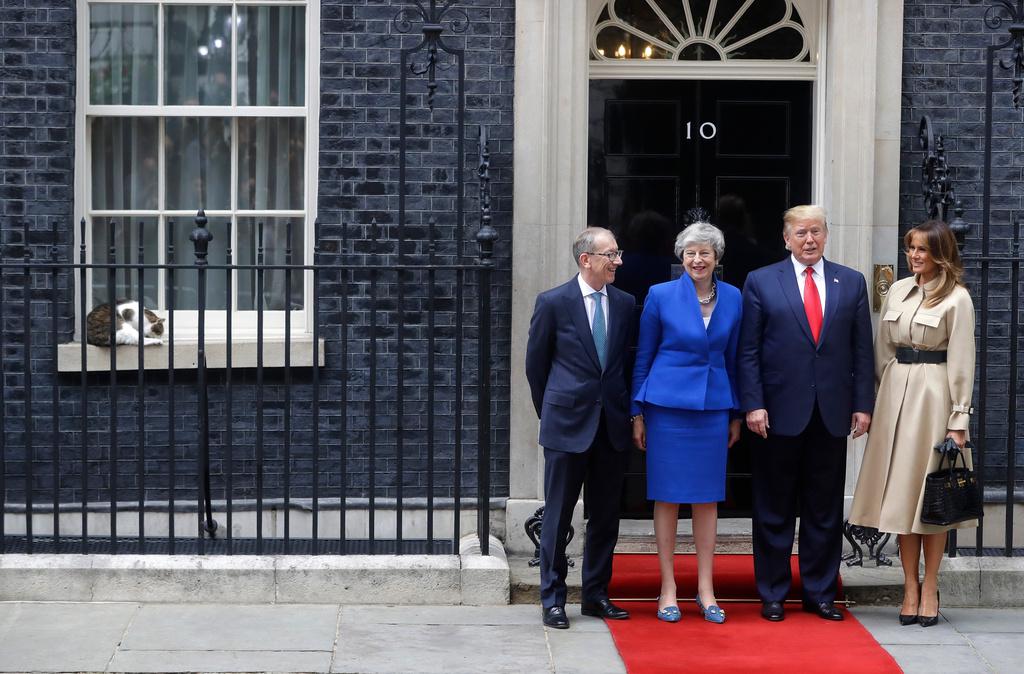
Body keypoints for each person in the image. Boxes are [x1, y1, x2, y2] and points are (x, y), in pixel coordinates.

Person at [737, 205, 874, 622]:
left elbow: (862, 350)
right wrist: (753, 403)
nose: (809, 239)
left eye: (816, 231)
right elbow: (748, 350)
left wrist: (862, 405)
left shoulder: (851, 281)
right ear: (786, 239)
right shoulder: (761, 281)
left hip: (831, 413)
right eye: (800, 233)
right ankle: (773, 593)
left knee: (824, 509)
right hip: (776, 413)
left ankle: (820, 593)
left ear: (826, 235)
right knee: (773, 508)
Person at [849, 220, 976, 628]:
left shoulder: (957, 298)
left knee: (931, 499)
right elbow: (882, 349)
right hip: (895, 396)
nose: (914, 255)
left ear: (940, 252)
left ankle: (931, 586)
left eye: (922, 249)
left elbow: (962, 361)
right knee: (903, 496)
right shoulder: (898, 290)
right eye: (910, 248)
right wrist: (881, 398)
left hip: (934, 398)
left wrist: (958, 420)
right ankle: (908, 587)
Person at [630, 222, 743, 624]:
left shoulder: (733, 297)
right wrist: (637, 411)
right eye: (691, 253)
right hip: (667, 407)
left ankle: (706, 588)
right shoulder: (660, 295)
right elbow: (644, 354)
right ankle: (668, 587)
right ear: (681, 257)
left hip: (713, 407)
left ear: (717, 257)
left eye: (705, 253)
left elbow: (734, 358)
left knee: (707, 497)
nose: (698, 260)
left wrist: (736, 412)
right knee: (667, 496)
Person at [525, 227, 637, 630]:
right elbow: (536, 367)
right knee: (557, 516)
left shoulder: (625, 303)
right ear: (586, 259)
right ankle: (553, 599)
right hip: (566, 425)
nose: (618, 261)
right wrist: (553, 412)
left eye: (618, 253)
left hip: (611, 426)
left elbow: (625, 364)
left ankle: (596, 594)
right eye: (611, 254)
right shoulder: (553, 302)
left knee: (606, 516)